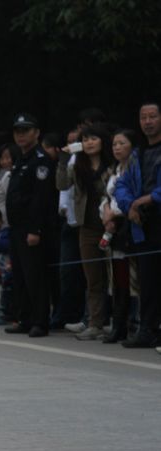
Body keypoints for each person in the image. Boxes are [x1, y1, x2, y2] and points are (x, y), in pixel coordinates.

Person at [55, 124, 113, 340]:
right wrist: (63, 160)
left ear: (103, 141)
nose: (89, 143)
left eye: (93, 138)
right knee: (93, 278)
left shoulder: (112, 165)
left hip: (112, 227)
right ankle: (95, 323)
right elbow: (61, 184)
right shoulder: (77, 166)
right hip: (87, 227)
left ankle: (120, 322)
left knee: (116, 277)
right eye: (85, 139)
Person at [4, 113, 57, 338]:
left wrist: (35, 229)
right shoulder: (21, 158)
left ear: (36, 133)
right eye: (18, 131)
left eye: (25, 131)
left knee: (35, 276)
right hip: (16, 227)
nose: (21, 135)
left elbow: (41, 198)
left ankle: (40, 321)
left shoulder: (40, 160)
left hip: (31, 227)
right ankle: (24, 318)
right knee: (20, 275)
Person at [114, 101, 161, 348]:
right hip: (143, 225)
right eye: (144, 117)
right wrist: (130, 205)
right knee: (147, 280)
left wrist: (149, 198)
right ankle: (148, 329)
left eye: (153, 116)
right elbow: (121, 185)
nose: (148, 122)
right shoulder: (137, 154)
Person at [100, 129, 138, 343]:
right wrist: (106, 211)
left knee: (134, 280)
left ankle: (136, 324)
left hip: (129, 226)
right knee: (117, 278)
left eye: (122, 143)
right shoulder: (111, 171)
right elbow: (105, 197)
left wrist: (115, 213)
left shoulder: (136, 168)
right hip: (112, 229)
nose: (117, 147)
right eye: (114, 144)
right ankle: (118, 325)